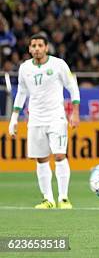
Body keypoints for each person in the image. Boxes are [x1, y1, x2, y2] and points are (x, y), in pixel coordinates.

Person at [8, 34, 80, 209]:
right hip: (35, 119)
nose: (37, 48)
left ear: (46, 48)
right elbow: (22, 93)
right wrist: (14, 118)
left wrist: (75, 112)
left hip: (56, 117)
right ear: (29, 49)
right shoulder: (25, 68)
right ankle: (48, 199)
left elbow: (72, 86)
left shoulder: (58, 64)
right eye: (33, 45)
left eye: (40, 45)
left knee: (60, 155)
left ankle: (63, 198)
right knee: (41, 159)